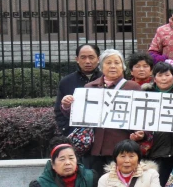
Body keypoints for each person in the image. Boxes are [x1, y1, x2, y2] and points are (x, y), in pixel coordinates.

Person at [61, 49, 145, 178]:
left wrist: (139, 133)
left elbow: (140, 116)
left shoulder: (132, 87)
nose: (112, 66)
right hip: (93, 147)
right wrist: (67, 106)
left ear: (122, 66)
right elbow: (78, 116)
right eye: (108, 62)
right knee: (94, 185)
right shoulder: (90, 87)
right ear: (101, 66)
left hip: (120, 148)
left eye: (117, 62)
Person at [141, 62, 173, 184]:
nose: (163, 78)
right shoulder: (145, 95)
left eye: (167, 75)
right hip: (155, 150)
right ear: (154, 78)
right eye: (160, 75)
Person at [54, 43, 102, 136]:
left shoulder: (106, 80)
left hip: (101, 136)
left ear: (98, 59)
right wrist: (68, 131)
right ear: (77, 59)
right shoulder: (66, 82)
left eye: (91, 57)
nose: (87, 61)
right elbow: (58, 112)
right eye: (83, 57)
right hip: (76, 136)